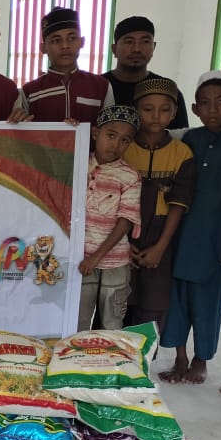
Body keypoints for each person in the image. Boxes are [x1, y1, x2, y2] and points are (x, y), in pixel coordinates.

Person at [159, 71, 221, 384]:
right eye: (204, 103)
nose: (213, 109)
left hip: (217, 237)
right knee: (176, 300)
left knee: (208, 304)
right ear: (194, 109)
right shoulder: (190, 139)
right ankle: (179, 358)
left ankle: (200, 359)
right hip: (182, 234)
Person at [121, 77, 195, 329]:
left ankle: (143, 364)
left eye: (165, 110)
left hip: (161, 235)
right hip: (123, 232)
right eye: (147, 109)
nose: (156, 116)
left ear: (174, 112)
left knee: (152, 307)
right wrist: (122, 244)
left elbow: (178, 203)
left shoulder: (181, 153)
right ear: (136, 111)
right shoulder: (123, 148)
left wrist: (160, 247)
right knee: (117, 302)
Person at [78, 105, 142, 331]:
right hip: (81, 259)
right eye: (111, 135)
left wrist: (97, 257)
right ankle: (77, 364)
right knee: (79, 321)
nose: (115, 145)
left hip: (114, 261)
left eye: (125, 140)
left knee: (112, 322)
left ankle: (108, 367)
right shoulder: (77, 164)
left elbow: (125, 222)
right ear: (96, 134)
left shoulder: (130, 176)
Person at [16, 8, 113, 123]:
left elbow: (110, 128)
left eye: (72, 38)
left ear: (82, 42)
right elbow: (21, 135)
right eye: (56, 40)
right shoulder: (30, 92)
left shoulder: (101, 86)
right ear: (43, 48)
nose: (65, 46)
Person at [102, 16, 188, 130]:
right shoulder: (98, 87)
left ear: (154, 47)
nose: (137, 49)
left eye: (145, 41)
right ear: (114, 49)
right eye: (129, 42)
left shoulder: (165, 89)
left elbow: (179, 137)